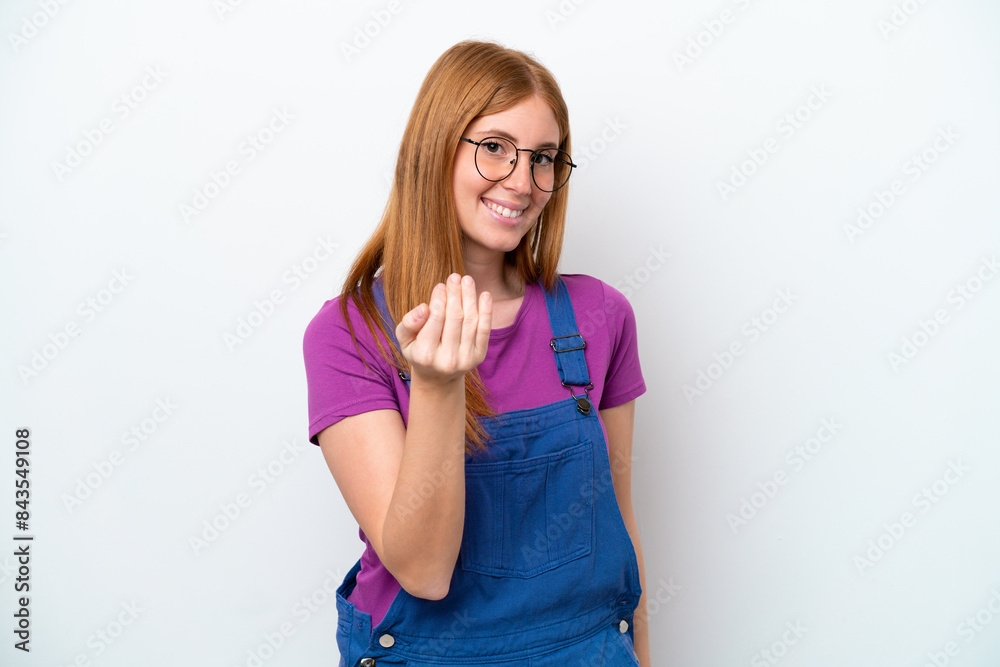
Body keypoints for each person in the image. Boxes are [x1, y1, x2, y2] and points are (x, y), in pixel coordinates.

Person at [303, 39, 649, 666]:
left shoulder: (601, 317)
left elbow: (621, 531)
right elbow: (424, 571)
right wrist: (438, 387)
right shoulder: (349, 335)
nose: (522, 182)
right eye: (494, 147)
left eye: (544, 158)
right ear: (436, 148)